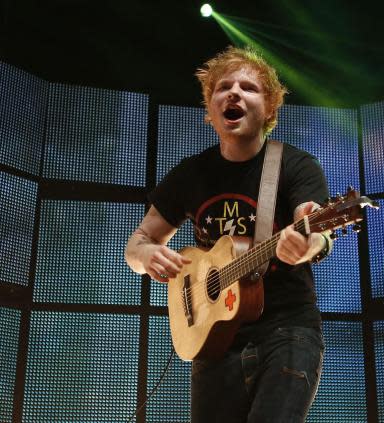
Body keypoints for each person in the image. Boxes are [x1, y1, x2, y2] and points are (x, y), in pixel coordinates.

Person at [125, 46, 333, 423]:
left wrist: (308, 243)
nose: (234, 93)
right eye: (223, 87)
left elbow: (314, 222)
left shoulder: (294, 164)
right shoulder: (190, 174)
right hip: (215, 341)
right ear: (210, 109)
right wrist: (146, 256)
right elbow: (137, 243)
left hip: (287, 329)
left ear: (269, 108)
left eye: (249, 88)